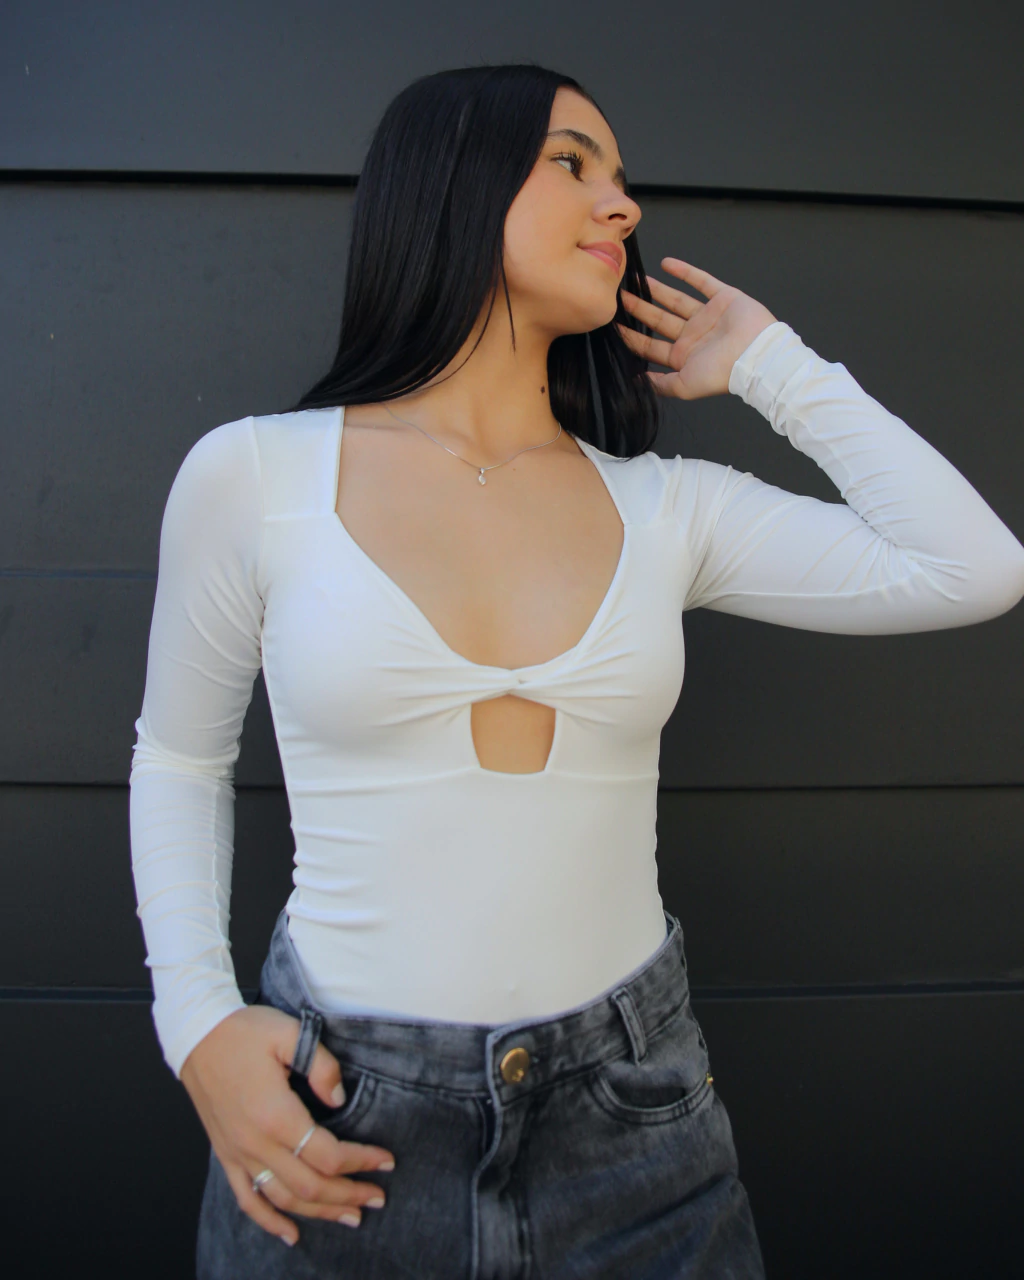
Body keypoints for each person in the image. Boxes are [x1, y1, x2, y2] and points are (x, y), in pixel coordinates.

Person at [128, 63, 1024, 1279]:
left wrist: (771, 365)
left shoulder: (666, 508)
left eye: (621, 177)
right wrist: (197, 1024)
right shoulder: (254, 476)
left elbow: (974, 565)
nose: (622, 205)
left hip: (633, 1121)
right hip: (340, 1117)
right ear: (451, 183)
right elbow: (180, 758)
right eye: (572, 162)